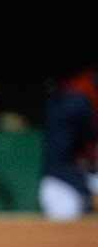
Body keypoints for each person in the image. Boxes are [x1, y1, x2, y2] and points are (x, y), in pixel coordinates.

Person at [39, 67, 98, 221]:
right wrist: (88, 192)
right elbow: (55, 164)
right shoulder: (75, 102)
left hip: (92, 177)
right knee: (64, 208)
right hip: (67, 182)